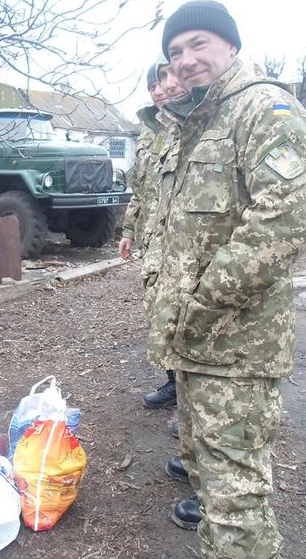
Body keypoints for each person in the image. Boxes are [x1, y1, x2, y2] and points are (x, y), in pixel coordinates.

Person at [147, 1, 306, 558]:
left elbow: (289, 215)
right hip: (193, 344)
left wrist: (203, 302)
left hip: (236, 346)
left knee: (236, 500)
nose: (185, 61)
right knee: (208, 480)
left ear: (231, 46)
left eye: (198, 44)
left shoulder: (264, 110)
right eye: (175, 53)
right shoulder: (199, 120)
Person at [119, 59, 184, 411]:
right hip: (154, 242)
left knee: (181, 316)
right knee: (159, 314)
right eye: (152, 86)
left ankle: (192, 401)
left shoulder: (187, 125)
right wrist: (129, 229)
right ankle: (175, 384)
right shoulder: (149, 130)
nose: (158, 90)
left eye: (163, 82)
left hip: (179, 242)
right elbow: (141, 190)